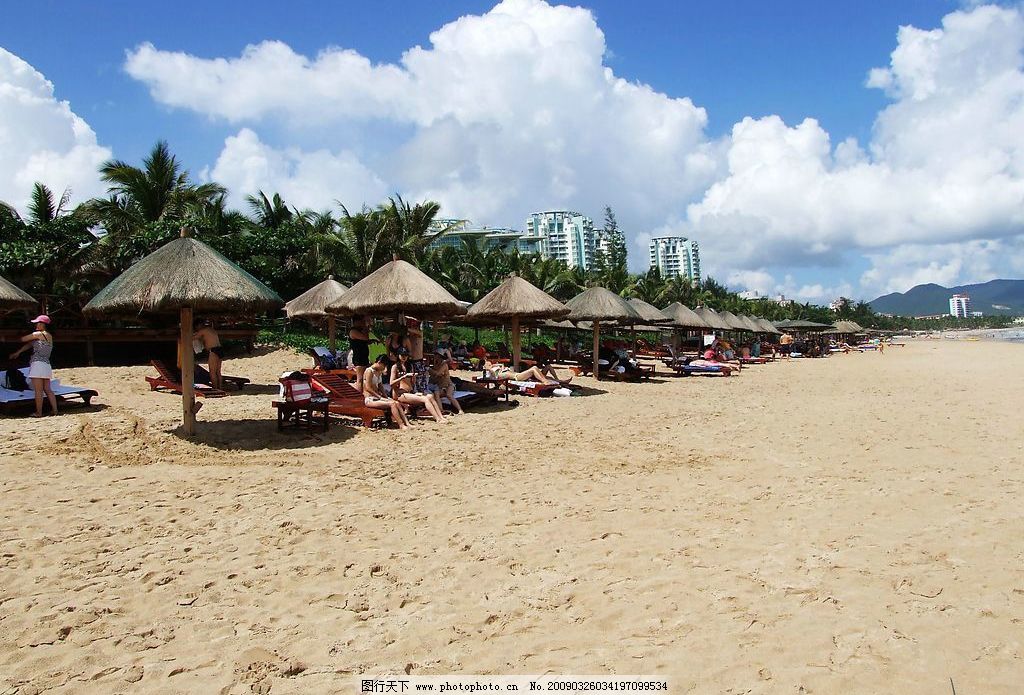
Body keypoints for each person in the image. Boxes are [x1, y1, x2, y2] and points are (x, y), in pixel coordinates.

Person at [9, 315, 58, 417]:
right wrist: (18, 352)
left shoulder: (39, 334)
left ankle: (38, 413)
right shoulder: (47, 336)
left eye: (38, 323)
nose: (36, 325)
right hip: (46, 365)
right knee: (48, 389)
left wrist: (11, 335)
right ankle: (55, 410)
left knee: (38, 391)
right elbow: (30, 344)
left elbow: (23, 339)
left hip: (37, 364)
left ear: (43, 324)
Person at [390, 348, 446, 423]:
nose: (404, 357)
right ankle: (437, 419)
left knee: (430, 396)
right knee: (425, 399)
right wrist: (403, 376)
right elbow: (391, 383)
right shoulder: (395, 367)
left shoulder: (409, 366)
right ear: (398, 356)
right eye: (402, 355)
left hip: (410, 392)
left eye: (406, 355)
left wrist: (414, 378)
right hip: (400, 393)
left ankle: (441, 417)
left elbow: (413, 382)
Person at [362, 355, 410, 429]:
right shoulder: (369, 371)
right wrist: (380, 397)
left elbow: (381, 386)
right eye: (384, 366)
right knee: (392, 404)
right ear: (379, 362)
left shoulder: (378, 372)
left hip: (377, 397)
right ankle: (401, 425)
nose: (384, 368)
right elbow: (368, 388)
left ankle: (407, 423)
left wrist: (386, 397)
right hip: (370, 399)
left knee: (396, 402)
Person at [429, 349, 464, 415]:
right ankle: (441, 410)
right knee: (436, 394)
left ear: (439, 356)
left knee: (449, 395)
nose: (434, 356)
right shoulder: (436, 365)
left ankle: (460, 410)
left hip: (448, 385)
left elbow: (438, 374)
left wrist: (429, 369)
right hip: (440, 386)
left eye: (436, 355)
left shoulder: (444, 365)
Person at [482, 359, 563, 386]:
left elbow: (501, 365)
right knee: (534, 368)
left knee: (535, 368)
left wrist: (495, 365)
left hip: (518, 375)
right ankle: (544, 381)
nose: (491, 364)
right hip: (517, 377)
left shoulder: (499, 369)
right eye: (489, 364)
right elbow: (491, 373)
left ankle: (548, 380)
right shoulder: (494, 373)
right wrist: (488, 368)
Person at [194, 320, 224, 390]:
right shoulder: (211, 329)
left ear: (199, 325)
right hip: (220, 349)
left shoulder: (203, 331)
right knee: (218, 372)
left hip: (213, 350)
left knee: (212, 372)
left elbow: (192, 338)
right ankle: (220, 388)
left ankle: (215, 389)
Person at [349, 314, 372, 391]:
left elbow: (365, 341)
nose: (363, 323)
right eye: (362, 322)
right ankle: (359, 397)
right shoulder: (353, 331)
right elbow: (365, 337)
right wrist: (366, 327)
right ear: (357, 322)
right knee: (360, 379)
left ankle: (364, 393)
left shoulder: (359, 331)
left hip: (364, 356)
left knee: (365, 377)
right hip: (359, 357)